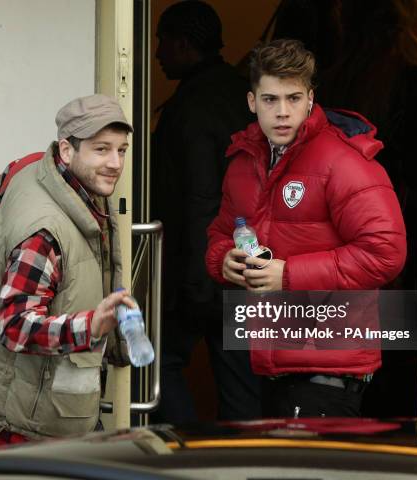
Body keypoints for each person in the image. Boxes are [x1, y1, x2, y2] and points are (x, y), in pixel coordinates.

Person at [205, 39, 407, 417]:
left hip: (328, 368)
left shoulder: (343, 160)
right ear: (252, 102)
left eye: (294, 99)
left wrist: (289, 274)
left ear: (311, 99)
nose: (282, 112)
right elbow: (221, 231)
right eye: (270, 100)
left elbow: (386, 253)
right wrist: (222, 260)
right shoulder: (243, 163)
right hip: (273, 361)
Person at [0, 94, 135, 449]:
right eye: (101, 149)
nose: (115, 163)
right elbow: (15, 327)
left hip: (40, 413)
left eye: (122, 150)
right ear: (67, 151)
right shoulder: (44, 233)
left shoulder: (32, 171)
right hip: (22, 426)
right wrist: (91, 326)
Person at [151, 0, 261, 423]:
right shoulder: (237, 93)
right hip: (243, 260)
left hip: (206, 269)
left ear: (182, 43)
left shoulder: (196, 107)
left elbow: (200, 200)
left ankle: (189, 455)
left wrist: (200, 280)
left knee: (156, 365)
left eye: (162, 41)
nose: (157, 53)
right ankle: (248, 463)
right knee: (240, 382)